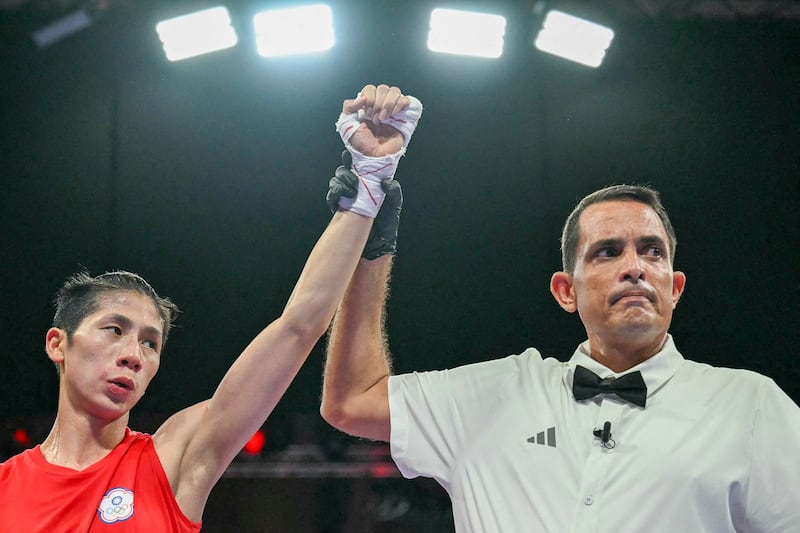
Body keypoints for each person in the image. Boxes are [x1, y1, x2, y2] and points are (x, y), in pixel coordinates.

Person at [0, 83, 422, 532]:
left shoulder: (174, 457)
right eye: (113, 329)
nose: (133, 355)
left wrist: (369, 179)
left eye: (150, 343)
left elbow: (297, 328)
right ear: (57, 344)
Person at [321, 178, 800, 531]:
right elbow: (351, 399)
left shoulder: (751, 405)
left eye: (651, 251)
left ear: (675, 288)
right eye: (608, 252)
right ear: (565, 291)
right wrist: (370, 243)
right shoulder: (496, 395)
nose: (634, 267)